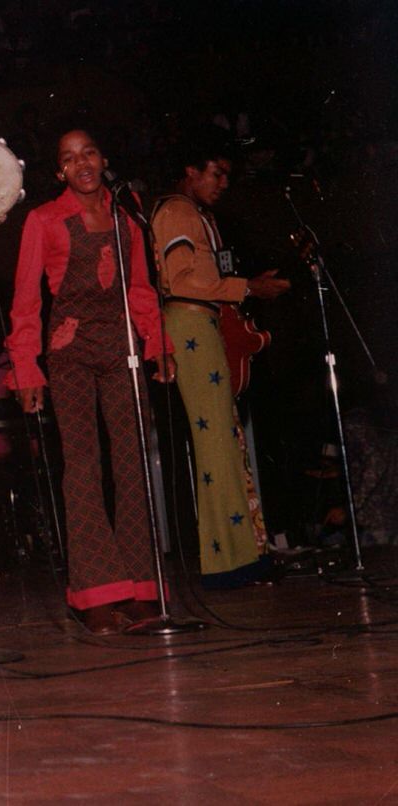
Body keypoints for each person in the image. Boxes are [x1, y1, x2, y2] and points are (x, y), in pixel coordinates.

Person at [5, 129, 176, 635]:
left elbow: (142, 288)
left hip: (121, 342)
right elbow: (25, 302)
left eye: (89, 154)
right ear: (59, 171)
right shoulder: (43, 220)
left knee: (132, 461)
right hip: (70, 347)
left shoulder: (128, 215)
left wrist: (158, 343)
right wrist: (26, 368)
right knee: (82, 463)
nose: (81, 164)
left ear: (103, 159)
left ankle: (142, 589)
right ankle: (96, 594)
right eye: (68, 159)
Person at [150, 129, 290, 588]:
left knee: (225, 440)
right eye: (217, 173)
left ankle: (240, 554)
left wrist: (245, 284)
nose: (223, 182)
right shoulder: (176, 212)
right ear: (191, 171)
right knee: (214, 443)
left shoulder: (194, 213)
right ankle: (227, 561)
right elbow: (179, 281)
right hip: (189, 324)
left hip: (203, 324)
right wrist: (246, 287)